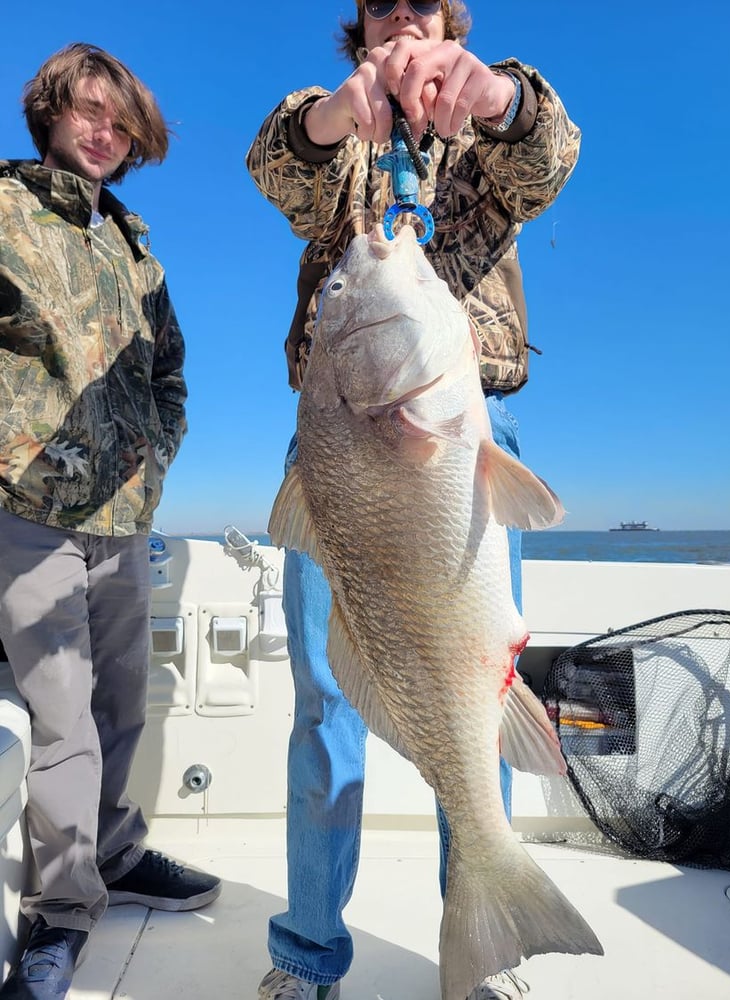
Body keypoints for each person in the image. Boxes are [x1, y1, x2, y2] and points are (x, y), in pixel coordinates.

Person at [246, 2, 580, 998]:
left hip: (454, 434)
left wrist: (492, 94)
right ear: (360, 24)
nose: (403, 6)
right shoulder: (330, 117)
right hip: (343, 449)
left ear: (448, 16)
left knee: (477, 686)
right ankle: (309, 957)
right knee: (324, 712)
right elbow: (278, 168)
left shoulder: (491, 108)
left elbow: (548, 159)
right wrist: (333, 118)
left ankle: (483, 935)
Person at [0, 43, 221, 1000]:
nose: (104, 132)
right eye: (89, 111)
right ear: (50, 111)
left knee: (122, 709)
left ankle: (118, 855)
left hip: (128, 519)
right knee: (62, 728)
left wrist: (158, 454)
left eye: (120, 123)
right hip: (31, 514)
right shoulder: (5, 211)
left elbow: (170, 373)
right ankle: (58, 915)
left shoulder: (138, 249)